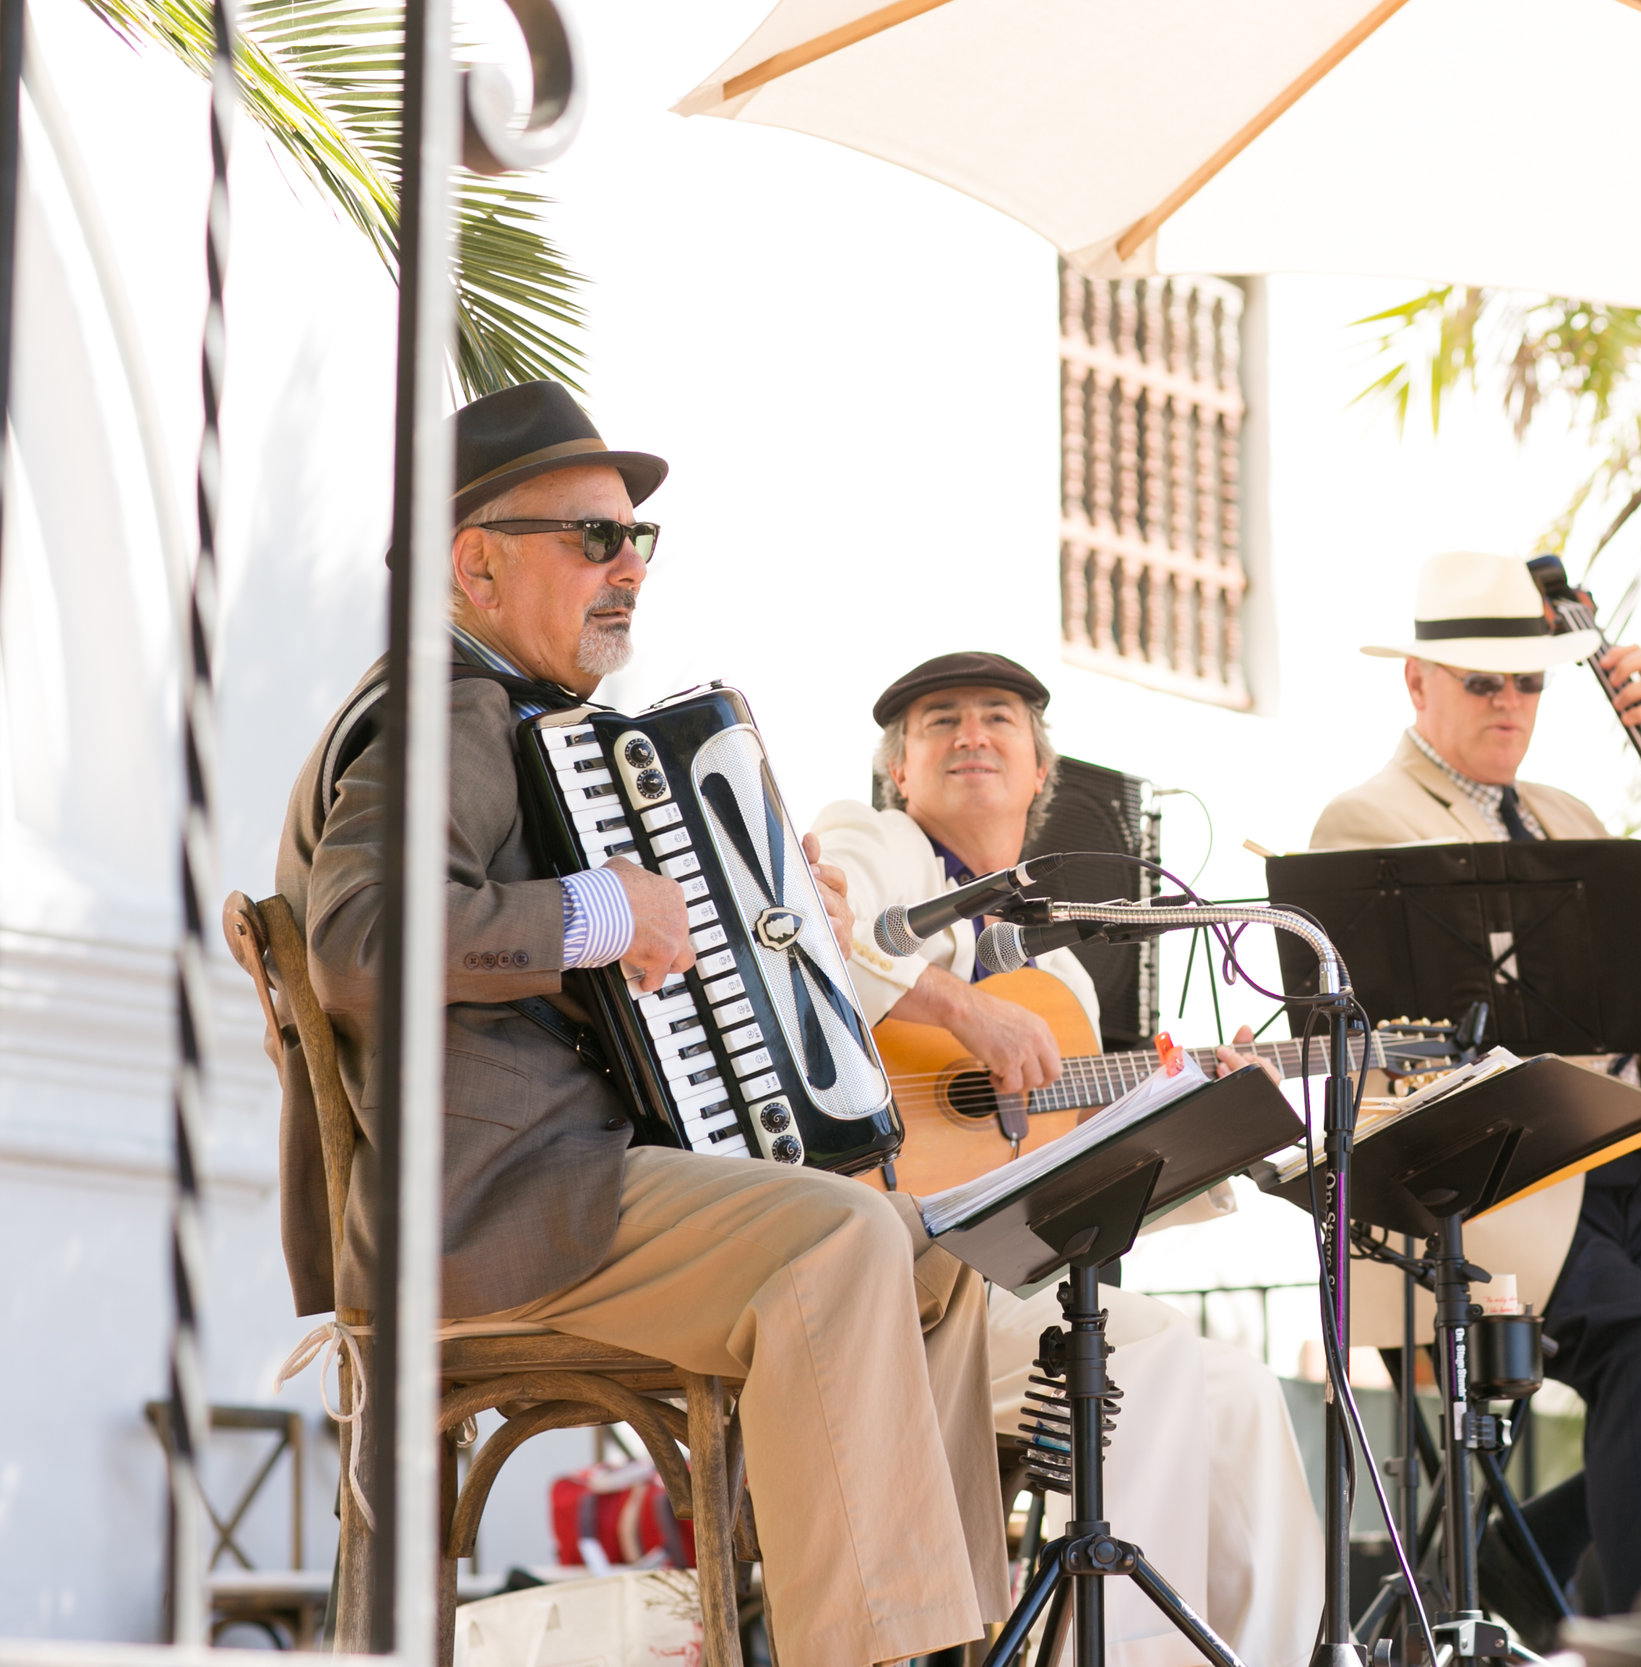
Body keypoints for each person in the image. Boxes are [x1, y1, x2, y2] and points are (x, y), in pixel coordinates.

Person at [273, 382, 1007, 1666]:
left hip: (556, 1186)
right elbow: (360, 941)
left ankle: (931, 1632)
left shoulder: (521, 719)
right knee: (834, 1239)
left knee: (931, 1245)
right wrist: (599, 910)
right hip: (483, 1209)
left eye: (638, 542)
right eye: (593, 539)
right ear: (476, 563)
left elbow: (616, 957)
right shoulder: (441, 708)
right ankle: (869, 1648)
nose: (629, 570)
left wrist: (763, 912)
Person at [1308, 550, 1641, 1608]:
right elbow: (1453, 1028)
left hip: (1633, 1175)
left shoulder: (1565, 812)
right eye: (1483, 681)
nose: (1510, 703)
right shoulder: (1368, 819)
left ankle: (1539, 1554)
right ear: (1417, 682)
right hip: (1496, 1193)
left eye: (1529, 681)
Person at [809, 651, 1324, 1667]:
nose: (970, 735)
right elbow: (809, 944)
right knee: (1155, 1356)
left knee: (1244, 1396)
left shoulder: (1057, 980)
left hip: (994, 1282)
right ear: (898, 774)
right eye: (938, 721)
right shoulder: (872, 846)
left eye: (998, 717)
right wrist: (961, 1008)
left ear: (1041, 771)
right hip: (870, 1265)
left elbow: (1081, 1187)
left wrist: (1197, 1112)